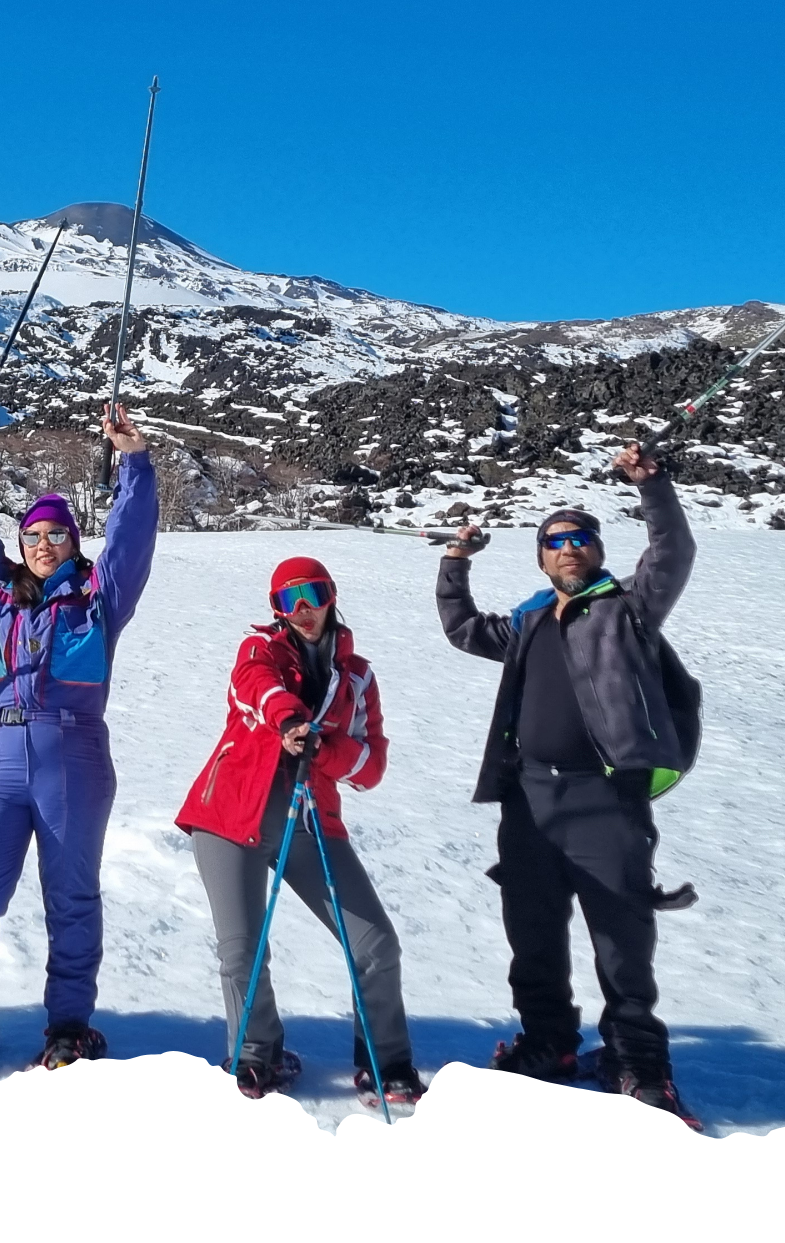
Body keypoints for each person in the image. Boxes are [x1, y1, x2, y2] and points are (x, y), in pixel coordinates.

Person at [437, 443, 702, 1129]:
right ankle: (548, 1043)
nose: (568, 548)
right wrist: (455, 562)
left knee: (622, 936)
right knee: (533, 932)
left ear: (596, 550)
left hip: (603, 797)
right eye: (555, 541)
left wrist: (653, 487)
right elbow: (464, 629)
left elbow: (670, 555)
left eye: (579, 538)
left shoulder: (626, 611)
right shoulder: (528, 621)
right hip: (527, 800)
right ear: (541, 557)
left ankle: (639, 1067)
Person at [0, 402, 157, 1078]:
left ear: (75, 543)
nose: (43, 543)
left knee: (69, 895)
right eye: (33, 535)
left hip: (73, 756)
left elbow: (131, 539)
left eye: (56, 534)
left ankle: (69, 1027)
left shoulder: (99, 599)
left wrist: (134, 463)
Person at [174, 557, 422, 1108]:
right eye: (290, 601)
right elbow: (253, 689)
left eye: (313, 594)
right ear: (277, 611)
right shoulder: (260, 651)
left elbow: (371, 766)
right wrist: (290, 721)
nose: (304, 609)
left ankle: (386, 1062)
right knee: (242, 950)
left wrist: (327, 751)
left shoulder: (358, 677)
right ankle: (255, 1055)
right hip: (230, 816)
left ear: (332, 595)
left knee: (374, 942)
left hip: (311, 820)